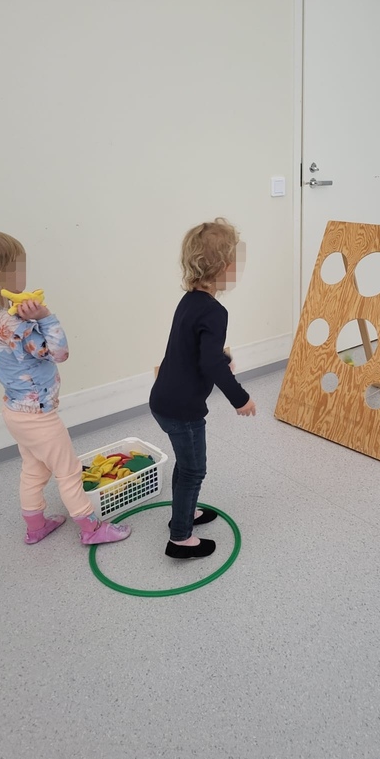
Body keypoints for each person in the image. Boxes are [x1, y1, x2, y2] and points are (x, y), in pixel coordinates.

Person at [0, 229, 130, 546]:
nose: (24, 273)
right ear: (0, 276)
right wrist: (45, 317)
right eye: (19, 267)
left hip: (14, 412)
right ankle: (91, 528)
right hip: (40, 416)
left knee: (34, 470)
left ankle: (35, 526)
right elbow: (58, 352)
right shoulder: (14, 323)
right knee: (68, 471)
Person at [150, 218, 256, 559]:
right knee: (194, 469)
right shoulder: (215, 311)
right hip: (183, 409)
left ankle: (183, 513)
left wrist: (219, 356)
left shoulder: (189, 301)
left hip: (163, 399)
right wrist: (240, 398)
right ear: (225, 268)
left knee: (186, 464)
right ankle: (180, 539)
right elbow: (209, 364)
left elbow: (195, 350)